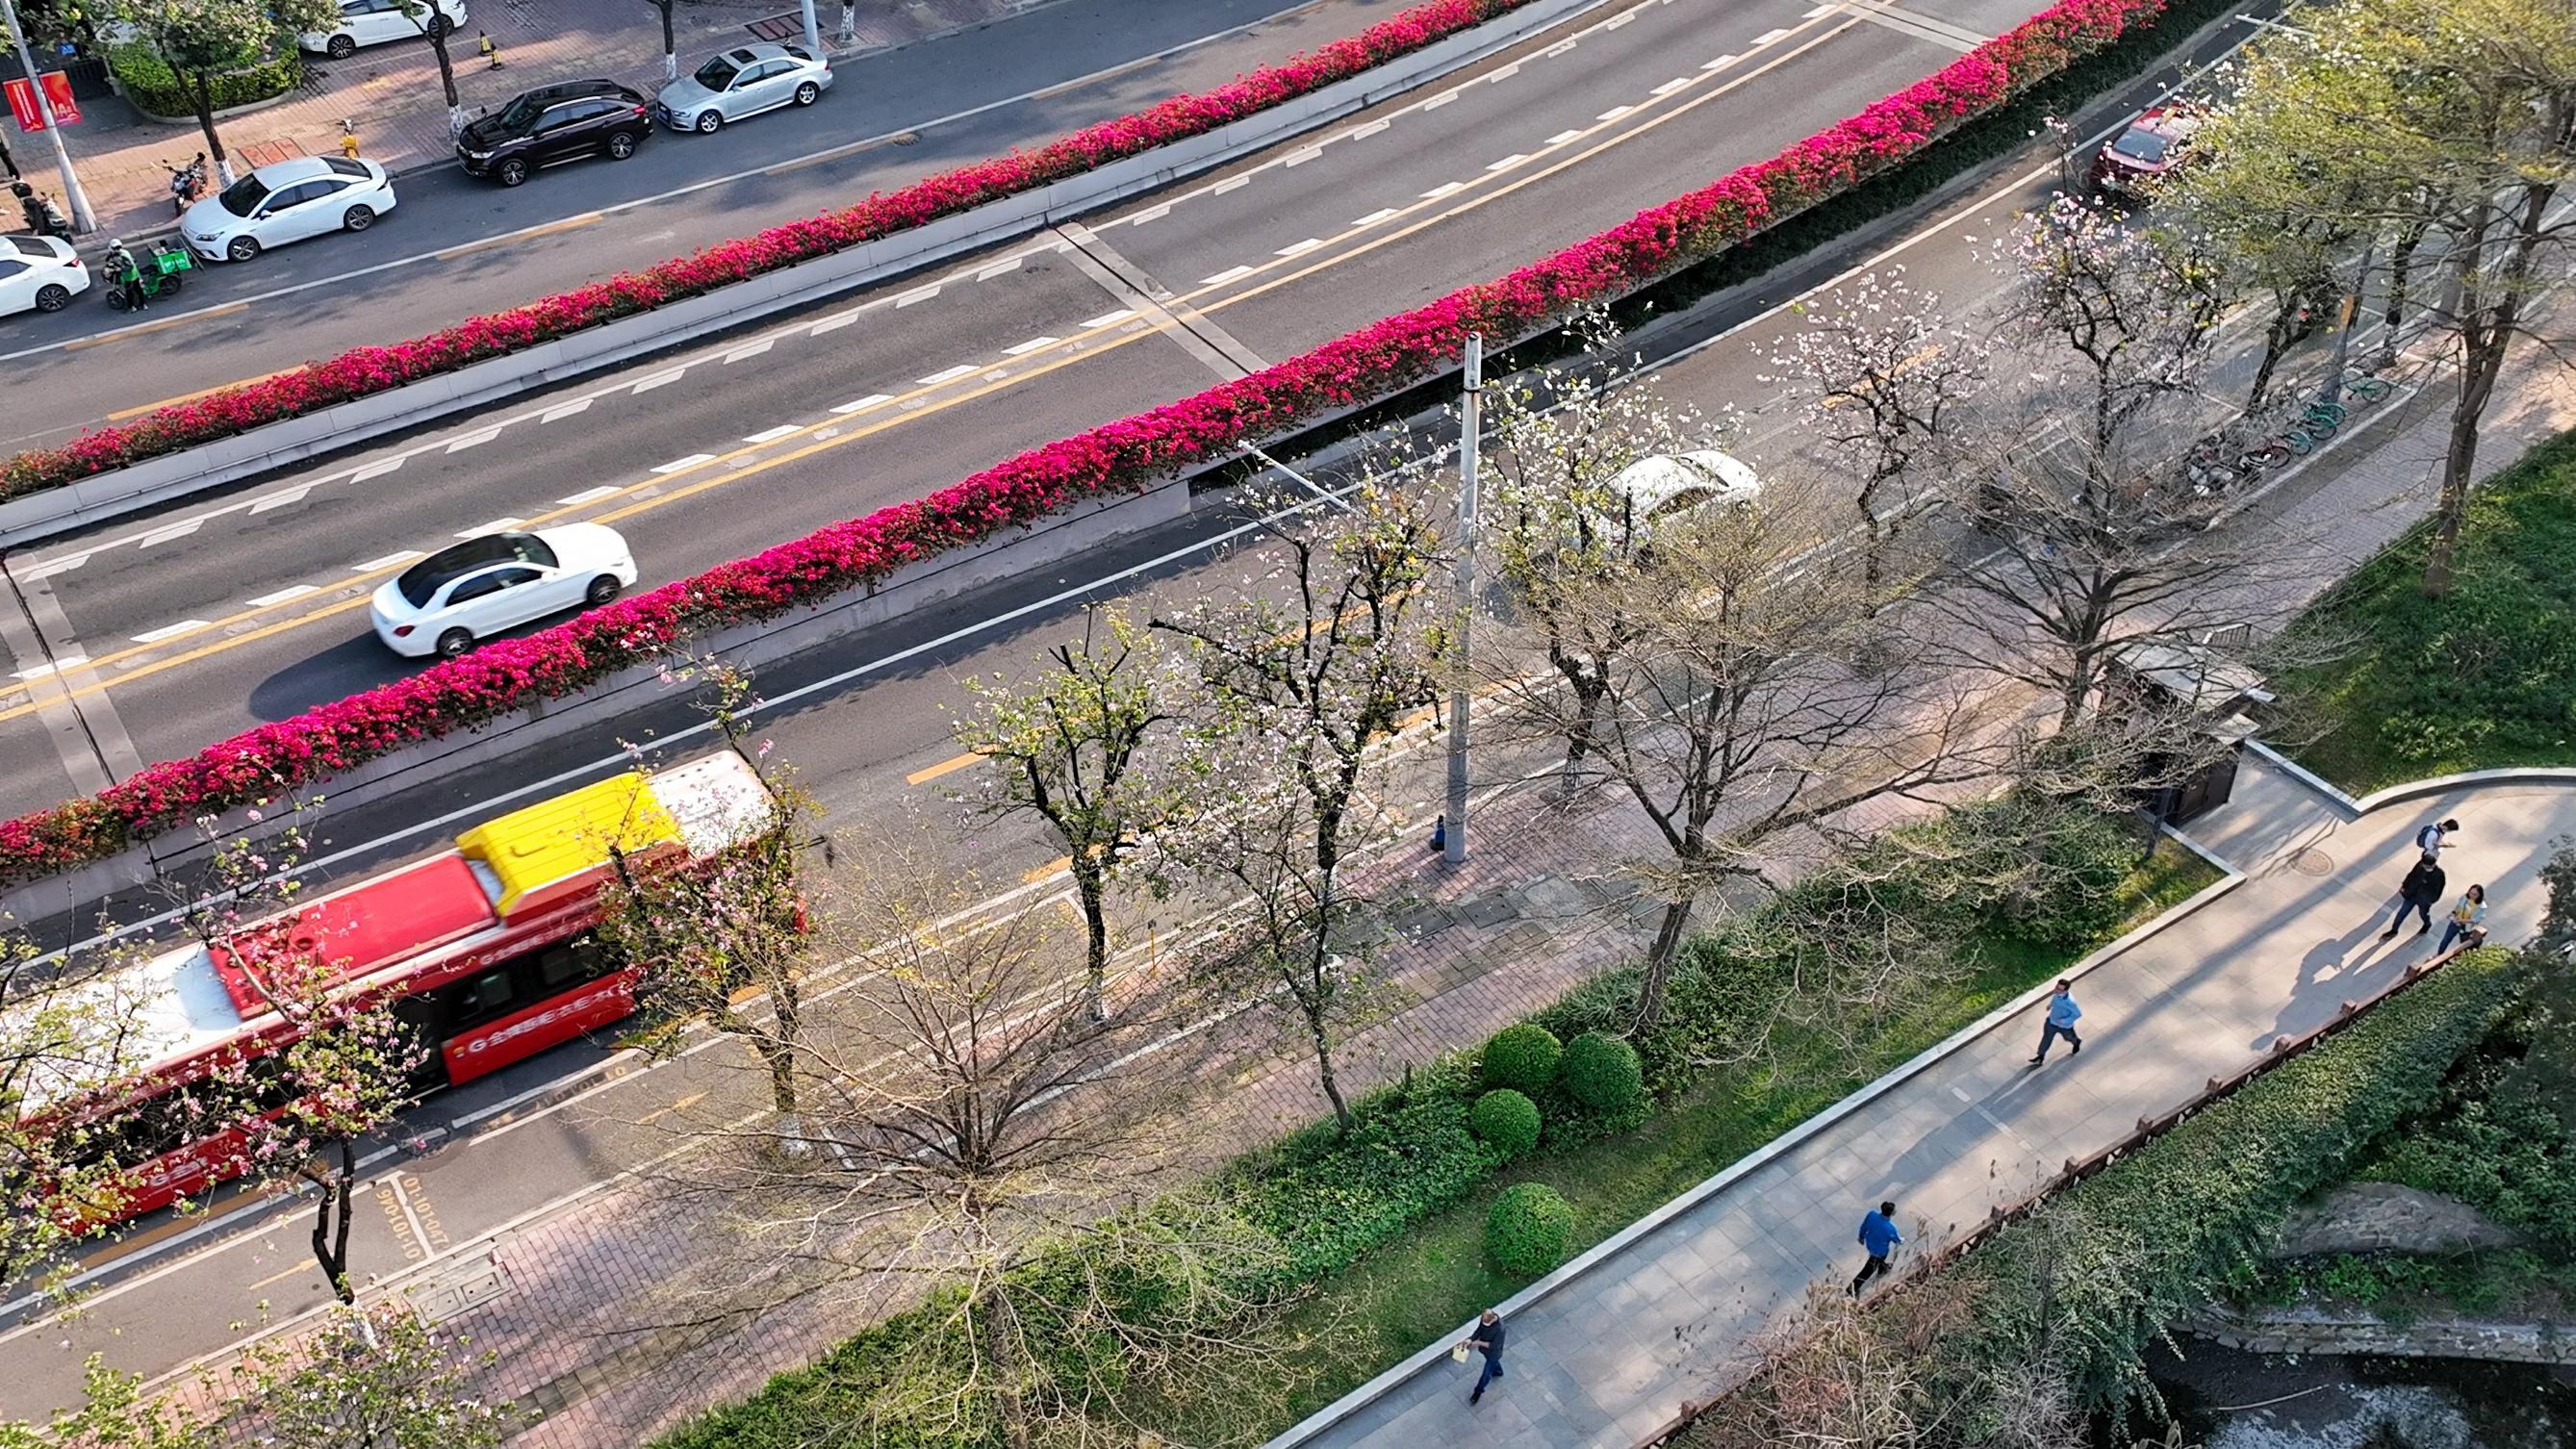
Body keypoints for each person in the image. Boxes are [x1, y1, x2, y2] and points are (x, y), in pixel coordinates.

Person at [2378, 856, 2446, 941]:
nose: (2425, 867)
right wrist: (2404, 886)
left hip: (2424, 900)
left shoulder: (2439, 875)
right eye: (2424, 865)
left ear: (2433, 865)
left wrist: (2431, 901)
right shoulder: (2420, 866)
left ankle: (2427, 924)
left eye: (2427, 866)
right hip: (2411, 895)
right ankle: (2394, 930)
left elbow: (2438, 890)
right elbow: (2411, 875)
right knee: (2401, 913)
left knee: (2423, 914)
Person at [1851, 1201, 1902, 1295]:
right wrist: (1902, 1240)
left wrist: (1861, 1237)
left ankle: (1883, 1268)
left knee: (1877, 1262)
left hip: (1870, 1244)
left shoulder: (1872, 1215)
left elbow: (1864, 1226)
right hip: (1880, 1251)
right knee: (1867, 1271)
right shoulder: (1891, 1228)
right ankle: (1852, 1288)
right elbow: (1897, 1240)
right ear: (1891, 1213)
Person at [2030, 979, 2082, 1065]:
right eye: (2056, 987)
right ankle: (2040, 1056)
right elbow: (2055, 1000)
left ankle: (2076, 1042)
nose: (2056, 990)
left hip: (2065, 1027)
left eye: (2059, 989)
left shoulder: (2070, 1002)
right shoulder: (2056, 994)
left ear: (2065, 991)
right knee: (2046, 1038)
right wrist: (2050, 1005)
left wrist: (2065, 1021)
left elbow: (2078, 1014)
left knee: (2068, 1038)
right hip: (2052, 1022)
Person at [1463, 1308, 1506, 1406]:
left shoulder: (1500, 1329)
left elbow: (1495, 1345)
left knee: (1486, 1374)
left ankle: (1478, 1391)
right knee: (1493, 1365)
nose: (1484, 1324)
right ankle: (1498, 1371)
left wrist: (1478, 1342)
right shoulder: (1484, 1319)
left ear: (1492, 1318)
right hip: (1485, 1351)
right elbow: (1479, 1331)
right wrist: (1470, 1339)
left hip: (1494, 1353)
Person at [2436, 883, 2487, 953]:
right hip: (2456, 922)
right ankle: (2439, 955)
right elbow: (2459, 907)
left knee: (2464, 944)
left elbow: (2476, 919)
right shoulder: (2465, 898)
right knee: (2445, 940)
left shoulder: (2481, 907)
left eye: (2475, 894)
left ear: (2480, 895)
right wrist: (2453, 913)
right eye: (2470, 893)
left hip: (2466, 927)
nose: (2471, 896)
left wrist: (2463, 921)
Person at [102, 239, 140, 311]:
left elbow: (126, 266)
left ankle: (133, 303)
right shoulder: (122, 252)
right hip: (130, 271)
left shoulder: (122, 255)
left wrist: (118, 269)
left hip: (130, 272)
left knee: (129, 287)